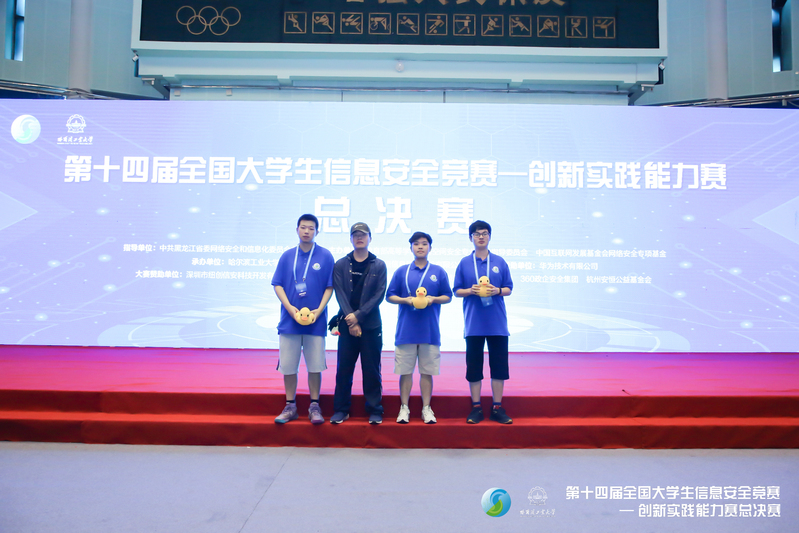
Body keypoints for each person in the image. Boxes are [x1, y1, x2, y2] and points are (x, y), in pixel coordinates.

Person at [271, 214, 335, 424]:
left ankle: (314, 406)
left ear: (317, 231)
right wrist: (289, 309)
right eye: (303, 227)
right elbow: (278, 284)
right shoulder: (287, 256)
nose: (307, 231)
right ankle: (290, 406)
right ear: (297, 229)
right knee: (289, 366)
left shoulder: (325, 256)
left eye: (311, 228)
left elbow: (329, 287)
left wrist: (319, 311)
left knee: (315, 366)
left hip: (315, 322)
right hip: (289, 321)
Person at [386, 231, 452, 424]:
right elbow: (389, 296)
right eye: (416, 244)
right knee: (405, 372)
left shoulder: (438, 271)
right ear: (411, 248)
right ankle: (404, 408)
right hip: (406, 331)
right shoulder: (402, 271)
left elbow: (448, 296)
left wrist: (433, 299)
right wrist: (405, 300)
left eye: (424, 243)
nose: (420, 247)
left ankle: (426, 408)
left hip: (429, 332)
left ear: (430, 247)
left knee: (427, 372)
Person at [453, 220, 514, 424]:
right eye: (477, 234)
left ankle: (497, 407)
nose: (481, 237)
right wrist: (470, 290)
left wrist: (497, 290)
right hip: (474, 325)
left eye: (485, 233)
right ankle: (476, 407)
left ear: (489, 236)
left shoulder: (499, 261)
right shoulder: (464, 263)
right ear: (471, 237)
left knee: (499, 367)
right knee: (474, 368)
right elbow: (456, 291)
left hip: (498, 324)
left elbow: (509, 288)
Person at [330, 222, 388, 424]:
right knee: (344, 369)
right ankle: (341, 409)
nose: (359, 238)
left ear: (370, 238)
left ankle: (374, 409)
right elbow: (340, 293)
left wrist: (359, 316)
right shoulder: (341, 264)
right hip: (347, 325)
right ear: (351, 239)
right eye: (355, 235)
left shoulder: (379, 265)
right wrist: (351, 320)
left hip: (371, 326)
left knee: (371, 369)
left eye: (363, 234)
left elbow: (379, 295)